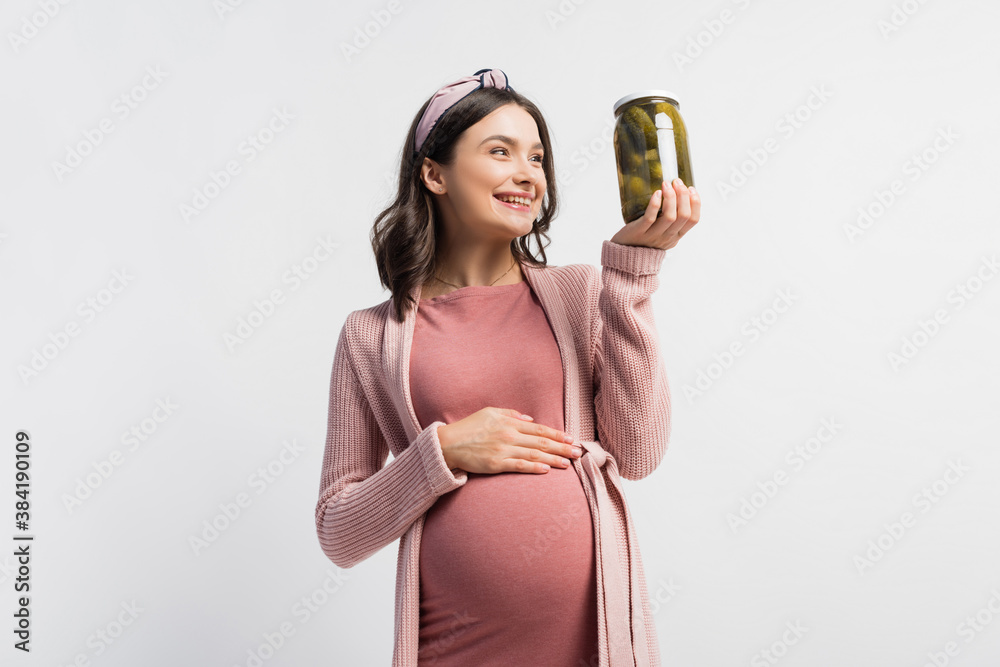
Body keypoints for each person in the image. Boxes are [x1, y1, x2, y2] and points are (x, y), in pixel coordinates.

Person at [314, 68, 700, 666]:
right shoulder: (370, 336)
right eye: (500, 152)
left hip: (592, 649)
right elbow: (339, 532)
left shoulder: (579, 295)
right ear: (434, 173)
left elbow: (640, 452)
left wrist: (632, 275)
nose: (528, 174)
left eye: (538, 157)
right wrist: (443, 451)